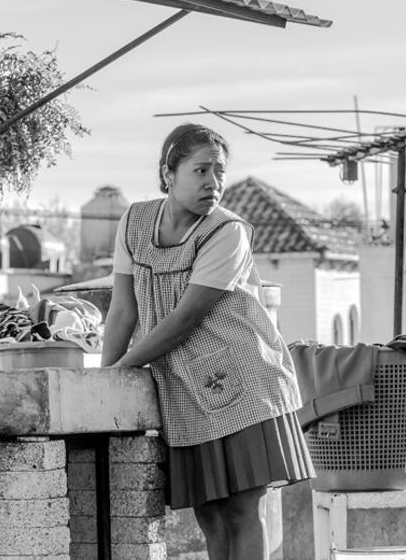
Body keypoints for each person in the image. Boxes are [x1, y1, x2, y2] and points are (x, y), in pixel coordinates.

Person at [100, 123, 314, 559]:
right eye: (200, 170)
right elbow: (123, 310)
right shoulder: (135, 222)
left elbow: (185, 319)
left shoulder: (227, 232)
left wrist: (123, 368)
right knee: (209, 515)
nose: (213, 183)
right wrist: (105, 380)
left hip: (243, 384)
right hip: (184, 390)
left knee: (240, 510)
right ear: (168, 173)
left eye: (219, 171)